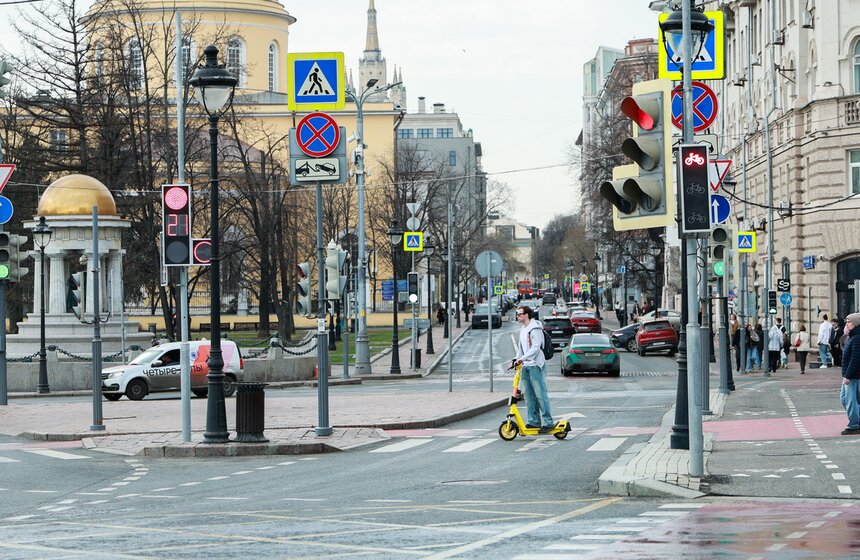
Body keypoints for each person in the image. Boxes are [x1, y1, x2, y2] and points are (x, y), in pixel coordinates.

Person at [513, 305, 554, 433]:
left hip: (536, 365)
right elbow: (521, 348)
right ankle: (534, 421)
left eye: (520, 314)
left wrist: (523, 358)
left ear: (526, 315)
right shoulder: (523, 328)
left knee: (540, 395)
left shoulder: (535, 328)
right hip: (526, 366)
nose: (518, 316)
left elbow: (536, 348)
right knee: (529, 396)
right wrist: (516, 358)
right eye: (518, 314)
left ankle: (548, 422)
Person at [839, 313, 860, 435]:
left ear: (856, 323)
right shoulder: (852, 336)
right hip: (847, 375)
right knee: (844, 399)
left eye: (849, 322)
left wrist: (848, 375)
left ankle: (854, 426)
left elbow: (855, 359)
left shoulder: (857, 338)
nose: (847, 324)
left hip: (852, 376)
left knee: (851, 401)